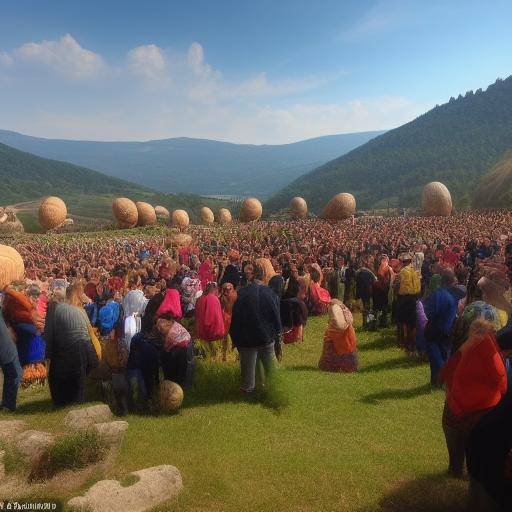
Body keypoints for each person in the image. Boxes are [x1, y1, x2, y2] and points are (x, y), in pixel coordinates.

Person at [440, 319, 507, 478]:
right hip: (459, 407)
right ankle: (458, 468)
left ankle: (462, 469)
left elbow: (501, 383)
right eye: (474, 328)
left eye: (480, 329)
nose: (476, 332)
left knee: (467, 438)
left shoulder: (488, 351)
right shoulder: (469, 347)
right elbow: (447, 373)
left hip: (476, 410)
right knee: (457, 434)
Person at [230, 262, 281, 394]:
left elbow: (236, 318)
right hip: (266, 337)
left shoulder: (242, 293)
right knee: (273, 372)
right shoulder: (269, 293)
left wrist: (235, 338)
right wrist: (277, 333)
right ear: (264, 275)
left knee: (248, 382)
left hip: (247, 340)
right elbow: (275, 315)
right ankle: (275, 392)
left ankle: (247, 396)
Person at [44, 283, 98, 406]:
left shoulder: (53, 308)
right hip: (85, 348)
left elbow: (49, 334)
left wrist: (47, 355)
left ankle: (62, 402)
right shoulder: (79, 310)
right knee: (78, 379)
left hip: (68, 347)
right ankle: (77, 400)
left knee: (57, 374)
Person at [424, 270, 459, 386]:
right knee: (445, 354)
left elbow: (428, 312)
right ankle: (438, 381)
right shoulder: (455, 294)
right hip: (448, 329)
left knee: (435, 357)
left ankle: (440, 379)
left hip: (435, 328)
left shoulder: (437, 294)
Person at [318, 299, 358, 373]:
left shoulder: (332, 331)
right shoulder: (347, 325)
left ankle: (335, 366)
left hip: (338, 335)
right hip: (342, 333)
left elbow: (339, 324)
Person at [395, 253, 421, 352]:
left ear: (403, 262)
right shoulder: (416, 271)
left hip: (404, 299)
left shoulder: (401, 272)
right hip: (415, 298)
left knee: (404, 322)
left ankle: (406, 344)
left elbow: (396, 287)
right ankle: (413, 344)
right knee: (413, 323)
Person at [195, 282, 225, 360]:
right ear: (215, 289)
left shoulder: (200, 299)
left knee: (204, 359)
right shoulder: (212, 299)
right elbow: (212, 319)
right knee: (212, 359)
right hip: (211, 335)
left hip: (201, 334)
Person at [0, 309, 23, 411]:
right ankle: (8, 405)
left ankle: (7, 404)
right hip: (5, 344)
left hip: (6, 341)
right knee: (14, 372)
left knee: (13, 372)